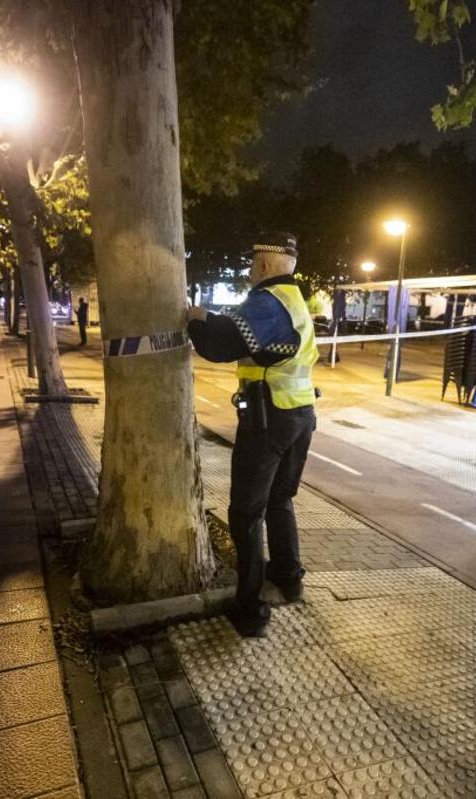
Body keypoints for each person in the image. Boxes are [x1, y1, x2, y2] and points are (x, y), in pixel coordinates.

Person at [187, 232, 317, 638]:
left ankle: (251, 608)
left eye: (251, 264)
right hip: (300, 413)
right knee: (280, 499)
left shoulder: (267, 301)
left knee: (245, 512)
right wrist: (209, 319)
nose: (248, 272)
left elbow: (222, 344)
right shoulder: (296, 300)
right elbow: (255, 341)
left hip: (268, 416)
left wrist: (194, 320)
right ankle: (289, 579)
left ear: (264, 265)